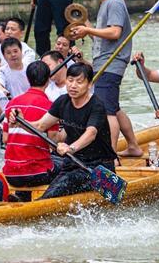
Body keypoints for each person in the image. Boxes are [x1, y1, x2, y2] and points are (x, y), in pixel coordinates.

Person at [9, 63, 117, 199]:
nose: (73, 85)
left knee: (65, 183)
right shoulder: (62, 101)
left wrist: (70, 148)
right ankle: (23, 197)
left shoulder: (96, 105)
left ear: (89, 84)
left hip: (98, 166)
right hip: (72, 162)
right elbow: (41, 126)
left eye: (79, 82)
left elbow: (91, 134)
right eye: (70, 80)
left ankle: (38, 206)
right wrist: (21, 122)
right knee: (50, 163)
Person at [70, 0, 142, 157]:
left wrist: (88, 29)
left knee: (106, 111)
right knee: (114, 107)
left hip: (111, 63)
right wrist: (85, 26)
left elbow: (115, 32)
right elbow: (103, 36)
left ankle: (108, 155)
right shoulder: (106, 3)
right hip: (105, 62)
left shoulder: (114, 2)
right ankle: (133, 146)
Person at [2, 62, 59, 189]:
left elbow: (5, 139)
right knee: (65, 165)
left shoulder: (12, 103)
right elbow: (53, 142)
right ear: (48, 80)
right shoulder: (50, 107)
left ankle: (21, 196)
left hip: (11, 174)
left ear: (28, 79)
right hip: (38, 173)